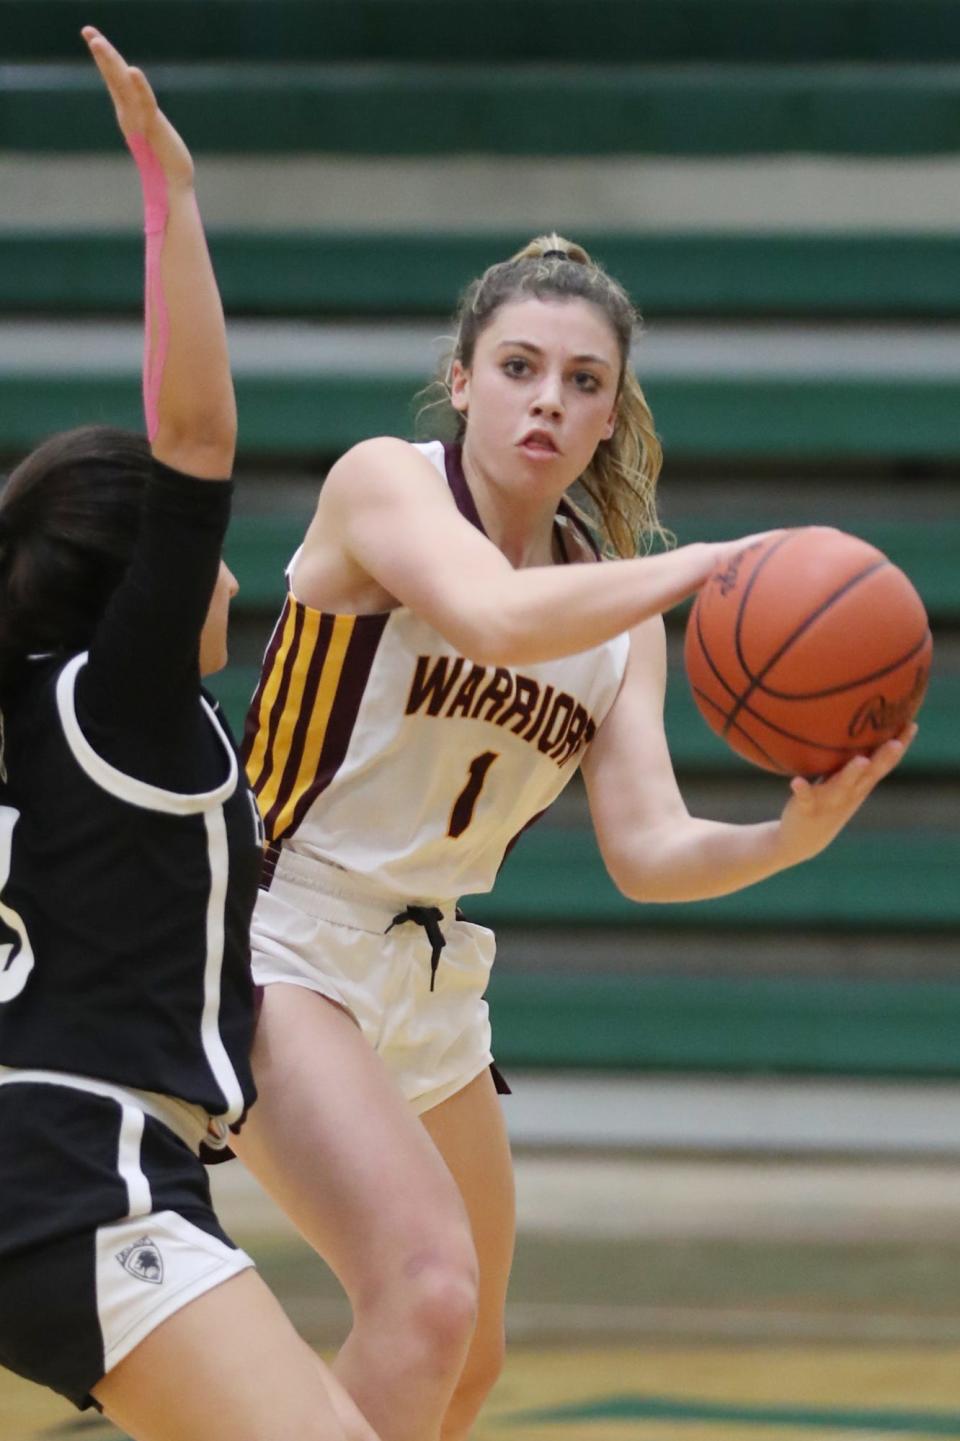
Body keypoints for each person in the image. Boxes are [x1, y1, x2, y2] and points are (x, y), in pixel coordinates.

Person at [236, 236, 915, 1441]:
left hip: (432, 966)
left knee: (472, 1352)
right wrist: (709, 564)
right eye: (518, 366)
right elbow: (492, 617)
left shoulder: (617, 618)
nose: (548, 398)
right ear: (462, 382)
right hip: (281, 933)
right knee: (425, 1296)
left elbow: (648, 851)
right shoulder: (385, 483)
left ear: (611, 415)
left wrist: (792, 835)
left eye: (583, 380)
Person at [0, 28, 379, 1441]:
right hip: (79, 1170)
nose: (228, 576)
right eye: (192, 563)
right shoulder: (120, 705)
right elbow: (196, 450)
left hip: (70, 1165)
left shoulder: (32, 709)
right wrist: (173, 201)